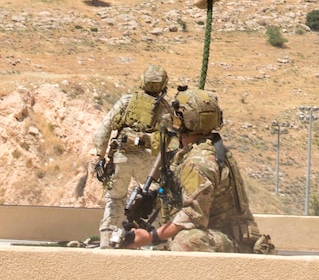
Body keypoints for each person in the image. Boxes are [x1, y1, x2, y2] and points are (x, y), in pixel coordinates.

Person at [121, 88, 275, 254]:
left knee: (186, 241)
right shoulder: (201, 150)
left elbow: (193, 216)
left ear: (183, 120)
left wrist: (150, 237)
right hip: (221, 236)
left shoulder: (199, 162)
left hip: (235, 242)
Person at [93, 65, 173, 249]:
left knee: (115, 198)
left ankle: (106, 237)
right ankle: (159, 241)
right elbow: (165, 141)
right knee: (157, 197)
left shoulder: (126, 101)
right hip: (148, 162)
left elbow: (104, 129)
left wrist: (100, 155)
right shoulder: (164, 109)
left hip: (121, 157)